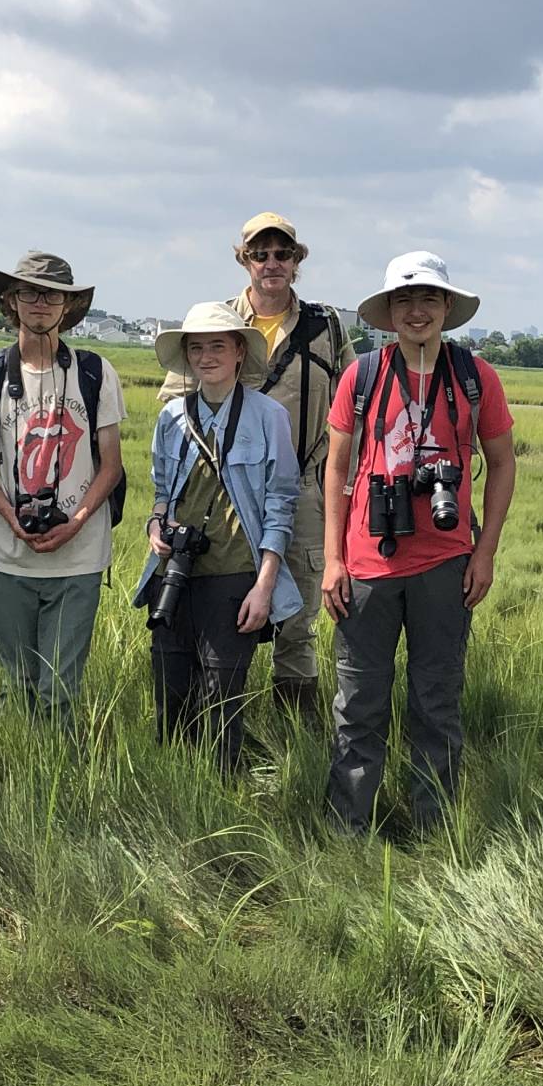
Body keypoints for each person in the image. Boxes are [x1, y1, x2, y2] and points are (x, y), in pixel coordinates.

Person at [321, 253, 516, 834]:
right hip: (368, 562)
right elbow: (334, 470)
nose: (416, 311)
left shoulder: (475, 377)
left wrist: (485, 552)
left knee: (437, 703)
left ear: (447, 308)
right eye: (404, 301)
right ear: (388, 312)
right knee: (359, 704)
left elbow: (502, 464)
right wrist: (333, 559)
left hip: (446, 561)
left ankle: (433, 832)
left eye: (429, 299)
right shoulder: (362, 376)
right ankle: (349, 829)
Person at [158, 213, 351, 724]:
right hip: (220, 497)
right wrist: (164, 507)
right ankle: (218, 721)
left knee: (297, 617)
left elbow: (354, 404)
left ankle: (293, 729)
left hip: (303, 488)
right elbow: (174, 413)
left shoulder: (325, 326)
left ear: (297, 261)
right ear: (243, 260)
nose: (271, 263)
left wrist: (346, 486)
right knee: (218, 607)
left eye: (282, 254)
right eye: (259, 254)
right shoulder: (217, 322)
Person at [0, 252, 125, 731]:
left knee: (59, 690)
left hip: (80, 556)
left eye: (51, 294)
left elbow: (110, 465)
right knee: (16, 686)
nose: (40, 303)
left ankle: (60, 784)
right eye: (28, 292)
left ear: (67, 305)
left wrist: (75, 522)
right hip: (9, 556)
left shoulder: (95, 372)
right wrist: (11, 517)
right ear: (11, 301)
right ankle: (19, 779)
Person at [133, 302, 303, 771]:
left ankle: (224, 789)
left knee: (223, 691)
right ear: (187, 356)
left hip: (236, 573)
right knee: (170, 685)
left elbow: (280, 504)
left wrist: (264, 585)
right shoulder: (171, 417)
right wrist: (155, 527)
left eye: (217, 347)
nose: (207, 357)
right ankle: (174, 788)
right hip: (175, 571)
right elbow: (162, 492)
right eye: (197, 348)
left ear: (237, 354)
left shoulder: (269, 416)